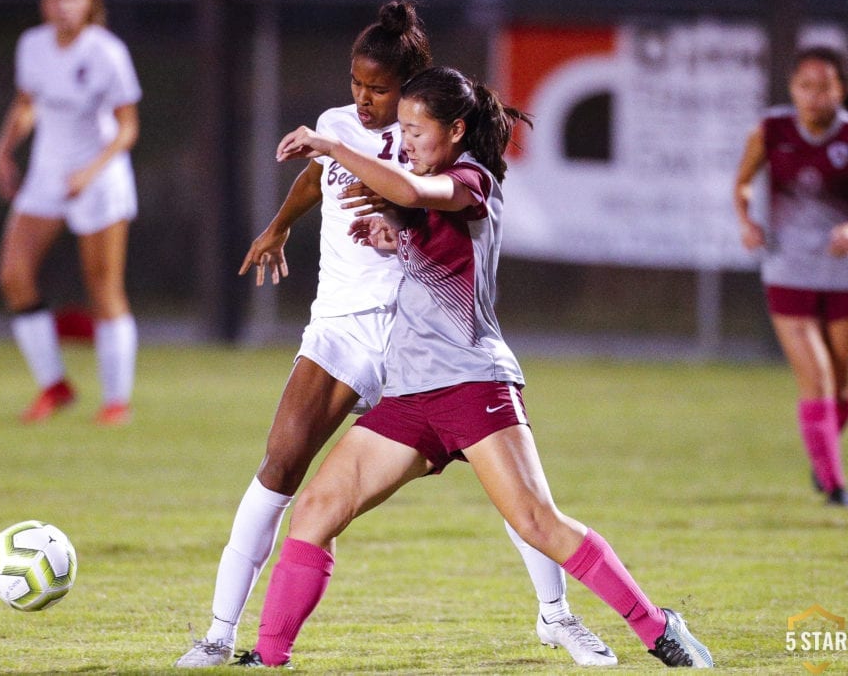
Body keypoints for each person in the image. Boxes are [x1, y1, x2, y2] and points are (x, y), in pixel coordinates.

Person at [175, 0, 614, 669]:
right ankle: (218, 631)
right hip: (343, 328)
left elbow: (418, 192)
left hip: (421, 334)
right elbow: (318, 176)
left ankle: (557, 616)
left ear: (412, 87)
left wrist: (381, 193)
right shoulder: (337, 127)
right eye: (357, 85)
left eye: (378, 88)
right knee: (280, 465)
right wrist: (280, 224)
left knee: (516, 493)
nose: (364, 99)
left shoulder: (429, 143)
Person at [231, 66, 714, 669]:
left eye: (415, 129)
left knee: (538, 521)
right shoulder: (419, 181)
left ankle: (659, 627)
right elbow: (414, 218)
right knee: (315, 512)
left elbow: (417, 196)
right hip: (408, 398)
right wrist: (388, 237)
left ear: (456, 129)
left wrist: (335, 147)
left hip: (472, 385)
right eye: (401, 129)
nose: (403, 141)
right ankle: (267, 658)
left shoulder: (470, 176)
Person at [0, 0, 141, 426]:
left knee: (103, 287)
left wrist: (90, 172)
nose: (63, 5)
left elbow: (127, 127)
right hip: (47, 174)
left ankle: (116, 402)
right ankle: (55, 386)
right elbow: (26, 104)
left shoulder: (106, 52)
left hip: (100, 178)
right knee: (13, 274)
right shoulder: (32, 45)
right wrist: (3, 148)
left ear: (90, 3)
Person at [734, 46, 848, 506]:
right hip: (789, 272)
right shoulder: (771, 130)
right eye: (806, 86)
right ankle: (833, 482)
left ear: (840, 88)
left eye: (825, 86)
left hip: (841, 274)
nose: (814, 95)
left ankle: (821, 452)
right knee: (817, 377)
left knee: (842, 383)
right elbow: (742, 182)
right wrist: (746, 220)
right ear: (792, 88)